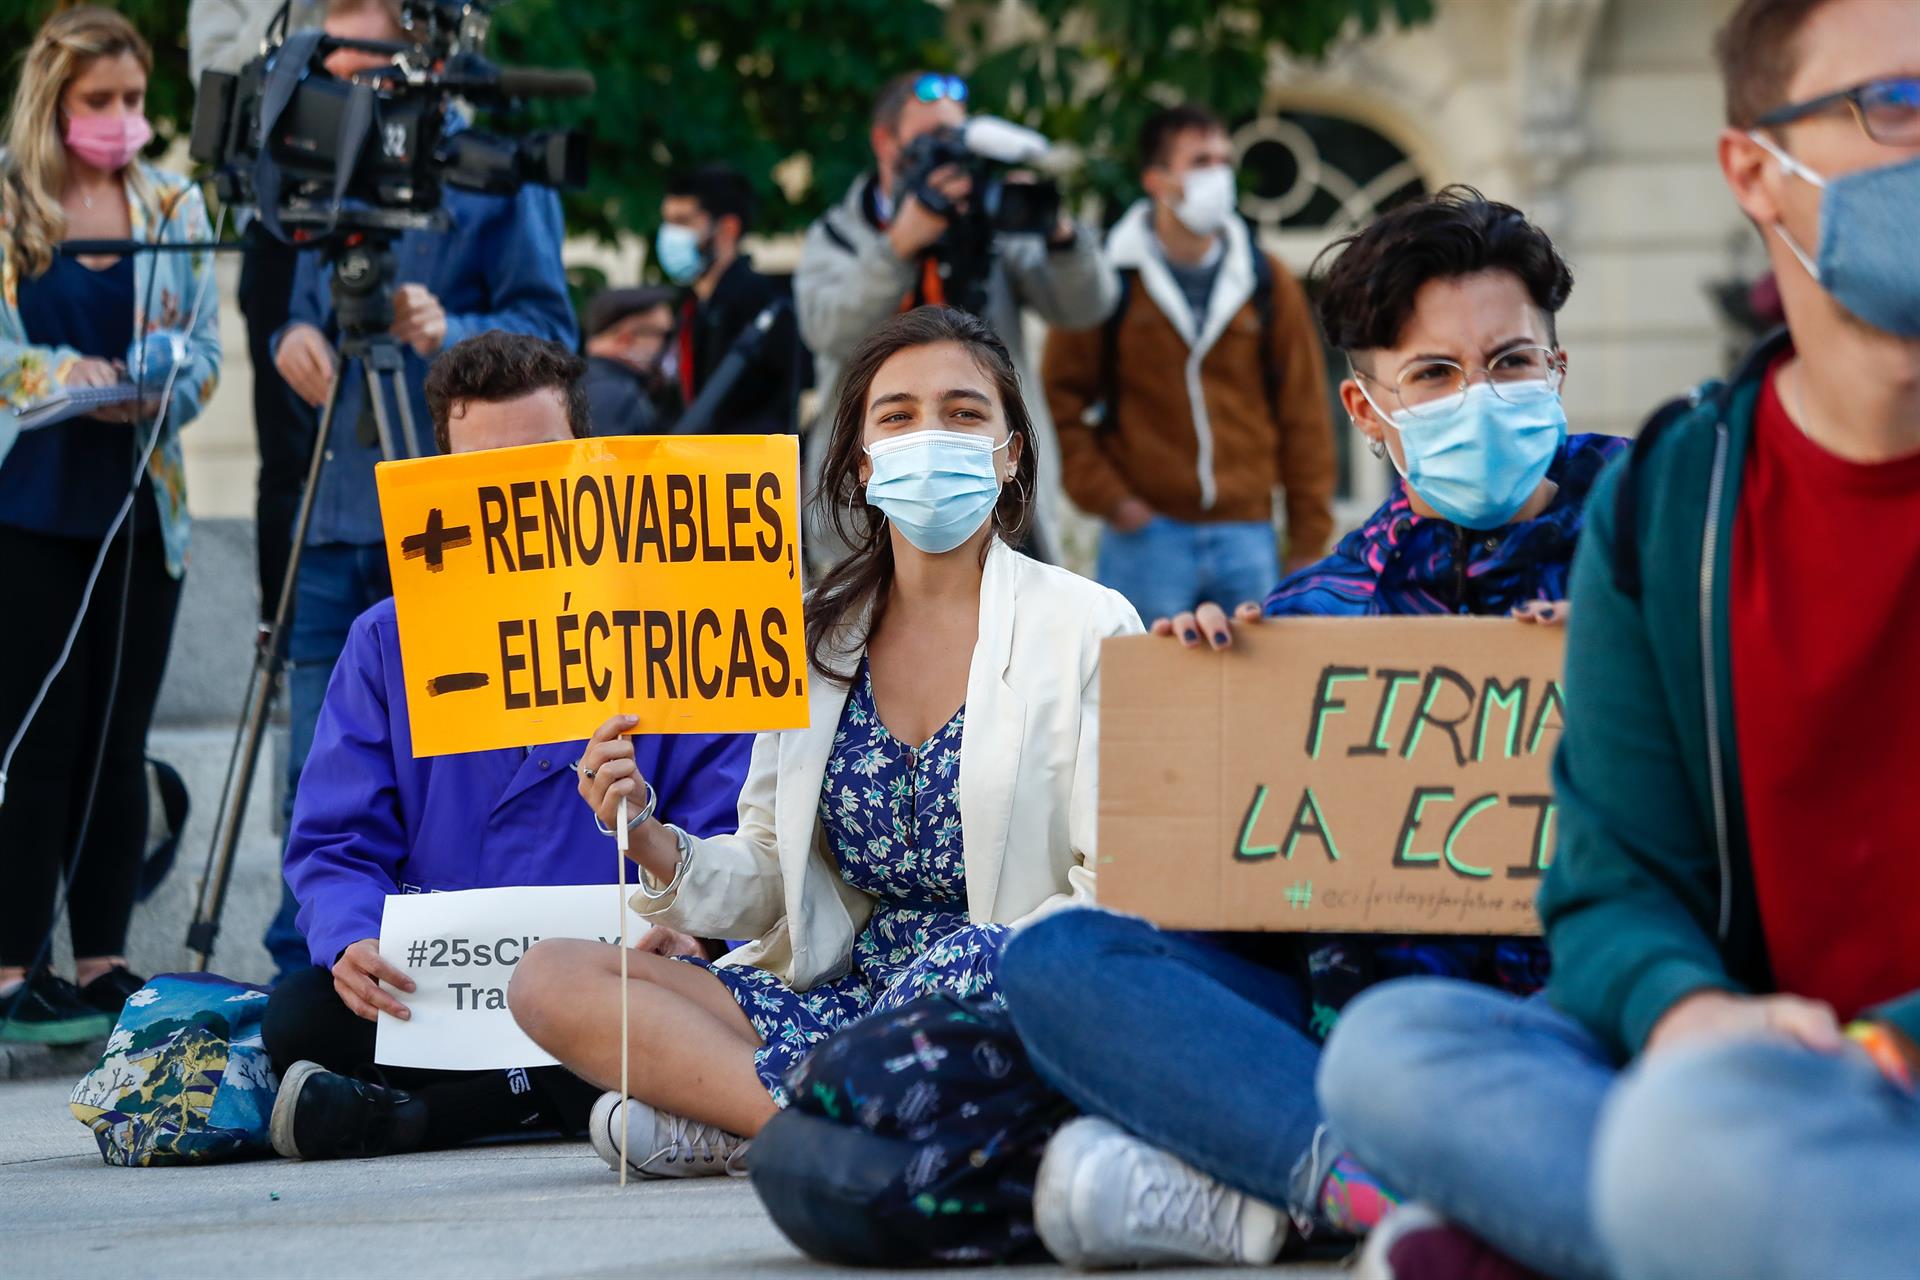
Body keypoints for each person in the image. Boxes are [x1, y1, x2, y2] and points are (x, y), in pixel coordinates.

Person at [1318, 4, 1920, 1279]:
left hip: (1839, 1079)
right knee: (1393, 1049)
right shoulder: (1677, 502)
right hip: (1732, 1062)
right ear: (1757, 169)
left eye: (1511, 361)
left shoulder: (1609, 493)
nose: (1480, 400)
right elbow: (1612, 882)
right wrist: (1691, 1010)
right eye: (1900, 104)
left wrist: (1874, 1052)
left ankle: (1597, 1230)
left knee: (1693, 1139)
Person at [995, 188, 1627, 1269]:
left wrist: (1636, 652)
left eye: (1512, 362)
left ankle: (1281, 1185)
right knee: (1061, 953)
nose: (1481, 396)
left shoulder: (1672, 540)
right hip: (1354, 1028)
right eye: (1434, 374)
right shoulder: (1310, 618)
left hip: (1597, 1010)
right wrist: (1211, 705)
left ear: (1556, 373)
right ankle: (1371, 1191)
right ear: (1368, 410)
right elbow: (1249, 898)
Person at [508, 306, 1142, 1180]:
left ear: (1011, 452)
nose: (931, 436)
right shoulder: (810, 638)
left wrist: (957, 972)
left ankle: (745, 1117)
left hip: (996, 1001)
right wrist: (651, 839)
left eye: (964, 414)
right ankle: (819, 1123)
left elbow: (1114, 889)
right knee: (546, 978)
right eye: (898, 415)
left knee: (982, 961)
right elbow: (771, 877)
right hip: (837, 1004)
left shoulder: (1090, 623)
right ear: (860, 459)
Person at [263, 332, 752, 1161]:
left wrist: (696, 929)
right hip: (444, 989)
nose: (516, 492)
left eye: (541, 461)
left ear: (587, 461)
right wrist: (351, 940)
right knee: (302, 1015)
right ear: (443, 477)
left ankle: (431, 1118)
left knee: (711, 999)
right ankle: (541, 1099)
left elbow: (737, 829)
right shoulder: (388, 643)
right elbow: (335, 841)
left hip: (618, 976)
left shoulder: (676, 627)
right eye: (484, 469)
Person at [261, 0, 577, 981]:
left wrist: (451, 327)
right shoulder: (323, 165)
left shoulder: (489, 168)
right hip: (340, 500)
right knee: (312, 761)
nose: (350, 80)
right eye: (335, 60)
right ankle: (317, 963)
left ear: (423, 54)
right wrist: (292, 337)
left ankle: (464, 962)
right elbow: (309, 307)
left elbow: (549, 335)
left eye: (369, 59)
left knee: (460, 764)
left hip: (457, 516)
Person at [0, 7, 223, 1045]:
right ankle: (12, 966)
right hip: (28, 510)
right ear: (54, 101)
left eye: (133, 101)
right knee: (32, 738)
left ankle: (104, 959)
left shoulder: (172, 203)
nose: (121, 120)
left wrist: (160, 378)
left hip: (143, 515)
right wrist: (58, 374)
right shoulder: (7, 204)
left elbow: (206, 351)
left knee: (114, 741)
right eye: (101, 102)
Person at [794, 71, 1117, 570]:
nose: (949, 157)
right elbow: (828, 330)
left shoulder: (991, 226)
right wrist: (899, 245)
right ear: (885, 142)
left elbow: (1086, 306)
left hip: (992, 484)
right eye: (931, 141)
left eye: (957, 139)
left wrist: (1055, 230)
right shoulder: (841, 234)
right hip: (872, 490)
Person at [1044, 104, 1336, 622]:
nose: (1219, 175)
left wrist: (1309, 537)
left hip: (1248, 533)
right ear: (1157, 181)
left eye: (1224, 159)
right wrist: (1113, 499)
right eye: (1201, 161)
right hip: (1146, 534)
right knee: (1144, 697)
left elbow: (1304, 412)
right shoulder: (1110, 278)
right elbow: (1060, 398)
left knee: (1257, 697)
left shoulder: (1266, 280)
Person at [188, 0, 325, 625]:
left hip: (375, 211)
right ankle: (282, 635)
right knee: (288, 452)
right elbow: (216, 78)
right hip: (275, 227)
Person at [654, 164, 803, 436]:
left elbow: (773, 411)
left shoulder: (764, 308)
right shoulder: (689, 307)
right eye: (667, 221)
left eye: (683, 221)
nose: (669, 235)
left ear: (727, 229)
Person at [580, 285, 676, 436]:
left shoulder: (580, 381)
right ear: (624, 339)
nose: (668, 345)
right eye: (664, 335)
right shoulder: (616, 395)